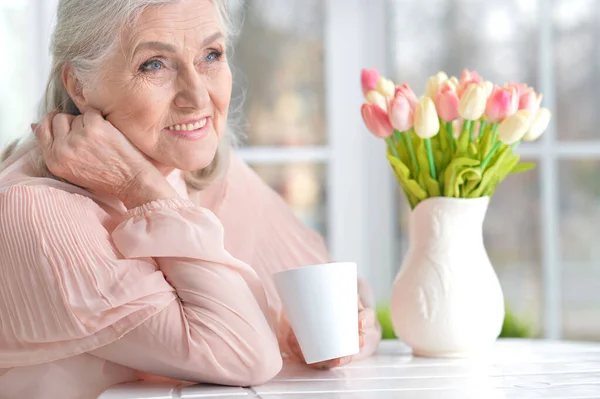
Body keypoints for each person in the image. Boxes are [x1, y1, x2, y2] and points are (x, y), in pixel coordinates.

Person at [0, 0, 381, 398]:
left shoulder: (207, 176)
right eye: (154, 64)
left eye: (210, 55)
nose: (197, 97)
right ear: (79, 84)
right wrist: (139, 185)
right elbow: (245, 355)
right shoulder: (31, 211)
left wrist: (327, 338)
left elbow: (345, 300)